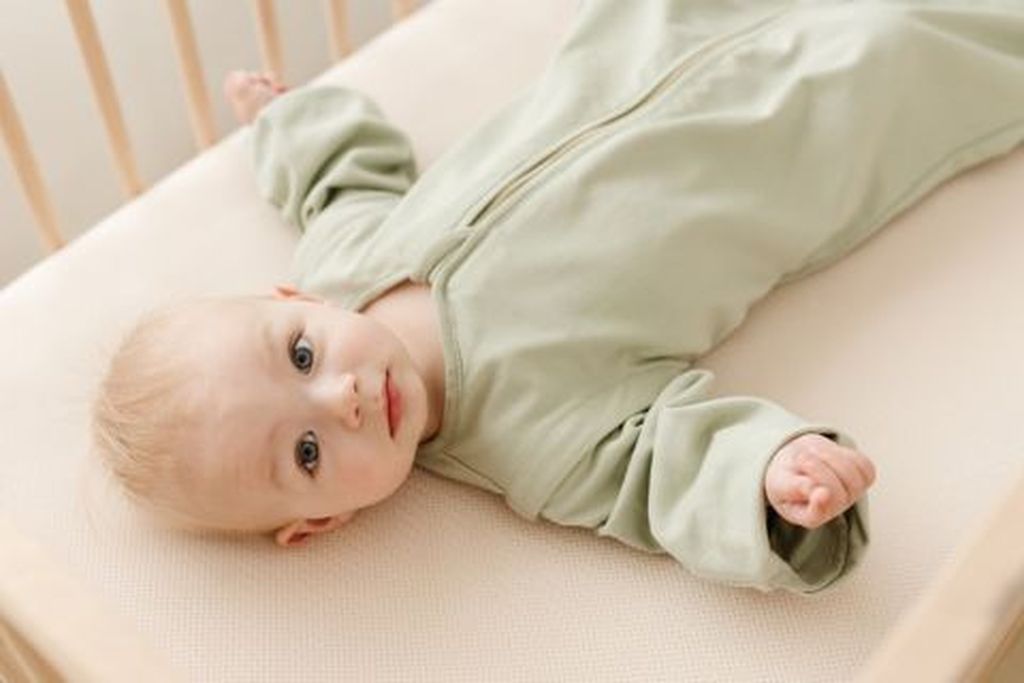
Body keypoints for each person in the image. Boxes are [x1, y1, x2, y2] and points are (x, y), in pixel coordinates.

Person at [92, 0, 1024, 593]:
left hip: (640, 41)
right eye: (304, 451)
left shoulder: (347, 257)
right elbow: (662, 469)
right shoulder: (535, 437)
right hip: (801, 132)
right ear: (321, 522)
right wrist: (772, 482)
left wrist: (290, 121)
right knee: (907, 41)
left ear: (293, 296)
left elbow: (342, 179)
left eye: (298, 352)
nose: (334, 395)